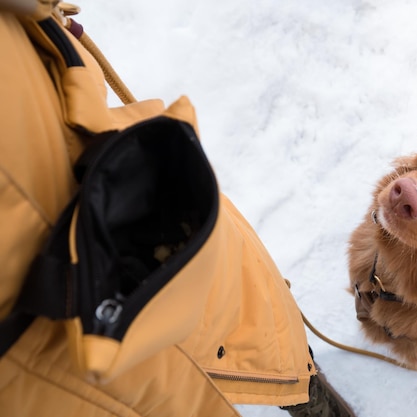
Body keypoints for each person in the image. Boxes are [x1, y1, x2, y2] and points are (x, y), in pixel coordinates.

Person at [0, 1, 355, 416]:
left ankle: (302, 388)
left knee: (251, 321)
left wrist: (48, 33)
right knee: (229, 333)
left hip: (114, 182)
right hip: (54, 365)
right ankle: (300, 387)